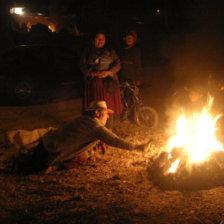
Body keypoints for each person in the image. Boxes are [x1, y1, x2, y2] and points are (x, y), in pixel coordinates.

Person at [13, 101, 151, 174]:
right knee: (31, 168)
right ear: (97, 113)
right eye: (105, 113)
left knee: (85, 155)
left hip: (46, 142)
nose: (108, 116)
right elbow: (114, 140)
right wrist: (137, 147)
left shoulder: (85, 119)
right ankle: (52, 166)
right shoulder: (95, 127)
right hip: (49, 152)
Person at [80, 31, 123, 128]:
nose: (100, 41)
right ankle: (95, 129)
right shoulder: (87, 51)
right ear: (93, 40)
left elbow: (118, 64)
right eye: (98, 39)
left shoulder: (110, 51)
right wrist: (92, 73)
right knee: (95, 108)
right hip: (94, 84)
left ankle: (108, 129)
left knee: (109, 106)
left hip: (108, 84)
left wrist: (109, 72)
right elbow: (82, 66)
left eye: (102, 39)